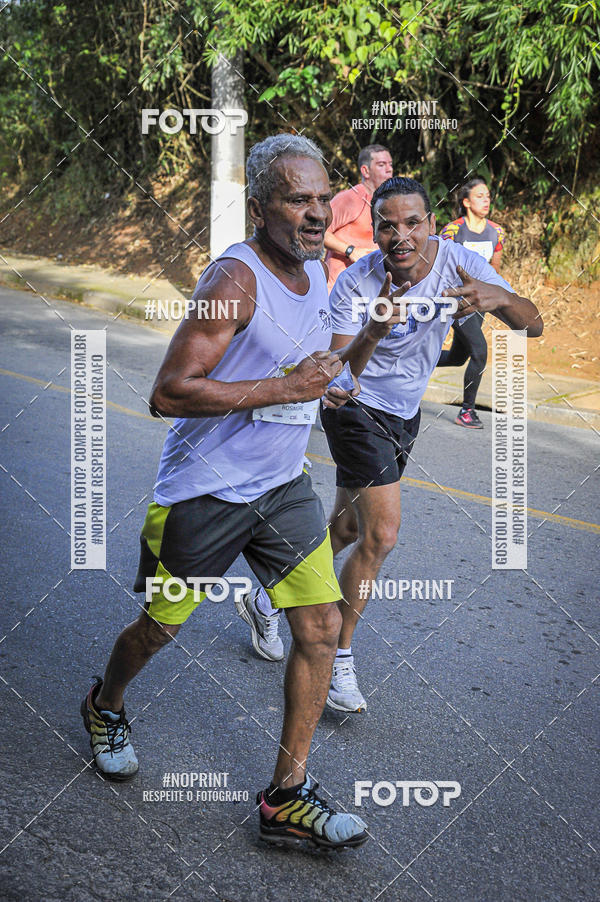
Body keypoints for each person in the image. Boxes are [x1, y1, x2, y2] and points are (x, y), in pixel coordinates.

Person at [80, 134, 370, 851]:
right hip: (206, 493)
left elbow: (302, 365)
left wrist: (322, 384)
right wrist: (285, 387)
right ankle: (104, 703)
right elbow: (168, 392)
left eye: (321, 197)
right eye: (296, 199)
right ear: (260, 207)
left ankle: (287, 795)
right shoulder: (232, 283)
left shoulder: (316, 274)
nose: (314, 212)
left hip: (281, 487)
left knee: (322, 628)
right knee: (160, 629)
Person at [239, 176, 542, 714]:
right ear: (373, 230)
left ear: (431, 224)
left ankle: (267, 594)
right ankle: (338, 659)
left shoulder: (456, 263)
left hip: (405, 411)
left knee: (350, 528)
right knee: (381, 534)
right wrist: (373, 331)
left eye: (411, 223)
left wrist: (500, 297)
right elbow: (339, 375)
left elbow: (532, 324)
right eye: (387, 225)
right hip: (355, 407)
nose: (400, 236)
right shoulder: (356, 282)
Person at [437, 177, 506, 428]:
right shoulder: (453, 230)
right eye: (479, 196)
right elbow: (439, 264)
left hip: (479, 303)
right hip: (456, 302)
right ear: (466, 202)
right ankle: (467, 411)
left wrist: (496, 301)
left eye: (488, 195)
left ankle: (407, 357)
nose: (486, 200)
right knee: (480, 351)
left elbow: (494, 272)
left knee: (458, 356)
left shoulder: (496, 232)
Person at [323, 144, 393, 290]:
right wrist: (351, 251)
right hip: (340, 290)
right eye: (381, 165)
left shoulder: (386, 204)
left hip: (370, 290)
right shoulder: (350, 198)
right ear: (365, 171)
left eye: (390, 164)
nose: (389, 169)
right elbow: (319, 232)